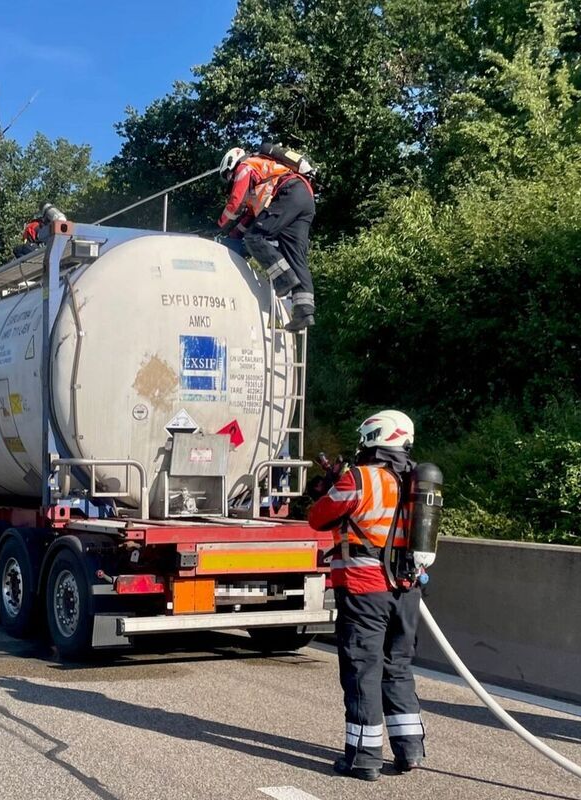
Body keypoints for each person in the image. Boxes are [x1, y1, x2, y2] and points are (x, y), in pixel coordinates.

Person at [307, 409, 427, 782]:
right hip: (405, 590)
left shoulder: (361, 478)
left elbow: (319, 517)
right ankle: (409, 751)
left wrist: (331, 486)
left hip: (363, 588)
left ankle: (363, 757)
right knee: (398, 668)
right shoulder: (417, 480)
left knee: (363, 671)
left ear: (374, 437)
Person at [216, 146, 317, 331]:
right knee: (295, 255)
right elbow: (248, 221)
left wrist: (218, 225)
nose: (233, 182)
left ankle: (284, 279)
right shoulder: (260, 180)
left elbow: (235, 201)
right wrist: (230, 235)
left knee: (254, 238)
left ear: (231, 165)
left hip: (290, 191)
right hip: (305, 198)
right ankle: (304, 311)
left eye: (230, 179)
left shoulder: (244, 166)